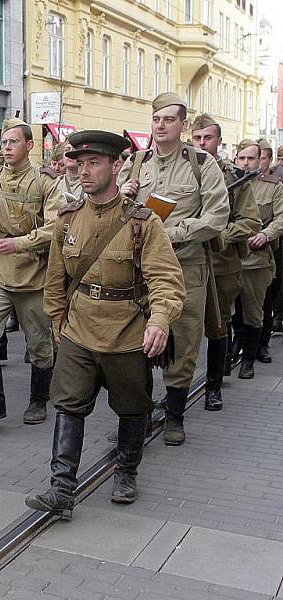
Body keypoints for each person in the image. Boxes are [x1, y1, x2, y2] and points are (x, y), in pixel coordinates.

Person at [25, 130, 185, 519]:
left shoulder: (143, 223)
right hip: (78, 330)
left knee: (132, 408)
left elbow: (167, 280)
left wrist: (160, 321)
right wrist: (58, 323)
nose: (84, 171)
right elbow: (56, 280)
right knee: (67, 406)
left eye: (94, 163)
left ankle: (126, 472)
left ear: (117, 166)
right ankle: (61, 489)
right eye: (79, 164)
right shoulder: (67, 220)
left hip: (128, 332)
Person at [119, 92, 229, 445]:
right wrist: (123, 193)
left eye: (169, 119)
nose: (161, 125)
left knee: (181, 341)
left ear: (183, 124)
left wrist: (172, 233)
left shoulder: (201, 163)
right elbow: (111, 213)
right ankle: (141, 413)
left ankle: (176, 414)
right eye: (156, 119)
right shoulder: (135, 162)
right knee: (137, 340)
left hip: (185, 265)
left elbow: (217, 217)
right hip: (140, 268)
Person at [0, 117, 63, 425]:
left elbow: (58, 227)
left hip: (34, 275)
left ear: (29, 145)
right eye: (4, 143)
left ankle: (38, 400)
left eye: (13, 142)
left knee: (39, 342)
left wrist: (21, 243)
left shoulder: (45, 181)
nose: (6, 148)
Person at [190, 115, 260, 409]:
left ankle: (213, 386)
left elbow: (251, 221)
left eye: (207, 138)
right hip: (186, 258)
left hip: (221, 262)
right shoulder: (184, 171)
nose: (202, 144)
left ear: (219, 141)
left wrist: (219, 232)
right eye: (197, 138)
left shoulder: (235, 178)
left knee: (218, 324)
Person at [233, 139, 283, 377]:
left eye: (251, 158)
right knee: (230, 312)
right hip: (229, 257)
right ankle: (235, 347)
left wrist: (266, 234)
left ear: (262, 160)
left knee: (255, 311)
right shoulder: (227, 184)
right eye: (241, 158)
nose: (246, 163)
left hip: (256, 260)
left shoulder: (272, 186)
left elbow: (280, 218)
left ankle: (249, 359)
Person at [255, 139, 283, 364]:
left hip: (270, 251)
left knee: (265, 301)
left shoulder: (275, 184)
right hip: (239, 253)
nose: (255, 162)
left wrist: (267, 234)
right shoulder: (237, 182)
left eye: (261, 158)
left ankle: (261, 344)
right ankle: (242, 344)